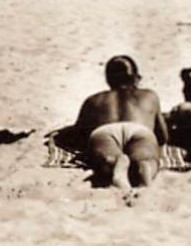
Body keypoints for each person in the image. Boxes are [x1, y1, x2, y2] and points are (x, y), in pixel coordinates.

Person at [67, 56, 169, 189]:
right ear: (135, 77)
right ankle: (144, 166)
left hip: (105, 131)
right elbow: (162, 136)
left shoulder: (94, 100)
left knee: (105, 159)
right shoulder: (150, 95)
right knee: (146, 158)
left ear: (108, 79)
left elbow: (79, 134)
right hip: (140, 130)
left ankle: (114, 163)